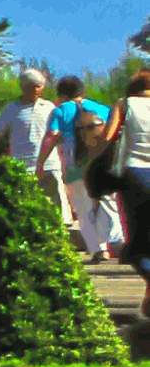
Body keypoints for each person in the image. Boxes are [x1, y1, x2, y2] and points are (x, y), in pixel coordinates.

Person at [44, 76, 124, 262]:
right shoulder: (102, 108)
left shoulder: (60, 110)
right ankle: (114, 240)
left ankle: (99, 250)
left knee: (84, 209)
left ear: (62, 94)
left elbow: (52, 135)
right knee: (106, 202)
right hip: (102, 164)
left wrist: (41, 162)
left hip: (75, 166)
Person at [92, 72, 150, 313]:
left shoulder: (124, 104)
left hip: (135, 175)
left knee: (136, 245)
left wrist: (94, 161)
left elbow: (108, 136)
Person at [0, 68, 56, 165]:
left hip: (49, 164)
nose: (35, 90)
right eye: (31, 87)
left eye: (38, 86)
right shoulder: (11, 108)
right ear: (23, 87)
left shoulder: (49, 107)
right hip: (21, 164)